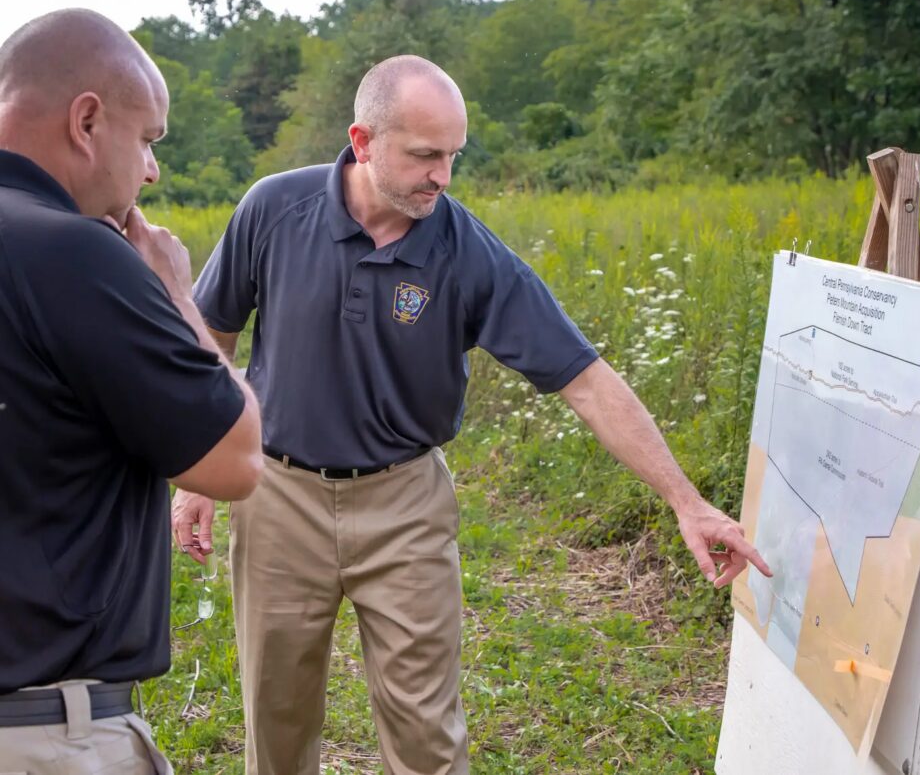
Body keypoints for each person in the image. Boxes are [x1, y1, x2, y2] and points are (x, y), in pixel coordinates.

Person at [176, 55, 772, 775]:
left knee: (426, 733)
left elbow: (585, 379)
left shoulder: (465, 252)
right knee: (277, 717)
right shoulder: (274, 209)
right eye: (426, 155)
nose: (444, 177)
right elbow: (212, 332)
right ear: (362, 142)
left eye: (453, 155)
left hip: (404, 508)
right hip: (280, 496)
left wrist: (686, 500)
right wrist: (200, 470)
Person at [0, 9, 264, 772]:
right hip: (43, 731)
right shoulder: (74, 253)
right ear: (87, 121)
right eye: (148, 139)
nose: (150, 170)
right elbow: (232, 460)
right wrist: (180, 297)